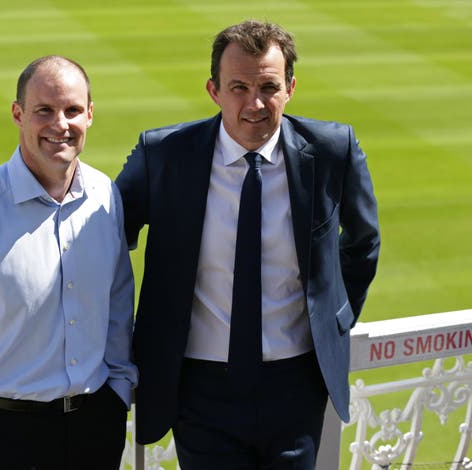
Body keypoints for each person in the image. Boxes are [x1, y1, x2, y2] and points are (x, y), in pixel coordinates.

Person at [115, 20, 380, 469]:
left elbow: (363, 242)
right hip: (199, 388)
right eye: (238, 87)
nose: (254, 104)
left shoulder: (333, 149)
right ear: (213, 90)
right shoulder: (164, 155)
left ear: (291, 88)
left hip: (296, 384)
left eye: (269, 87)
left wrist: (336, 318)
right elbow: (107, 236)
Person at [0, 55, 137, 470]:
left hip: (96, 428)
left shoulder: (106, 196)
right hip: (6, 438)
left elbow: (118, 305)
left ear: (90, 113)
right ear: (18, 114)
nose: (60, 124)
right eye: (44, 111)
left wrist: (118, 391)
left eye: (72, 110)